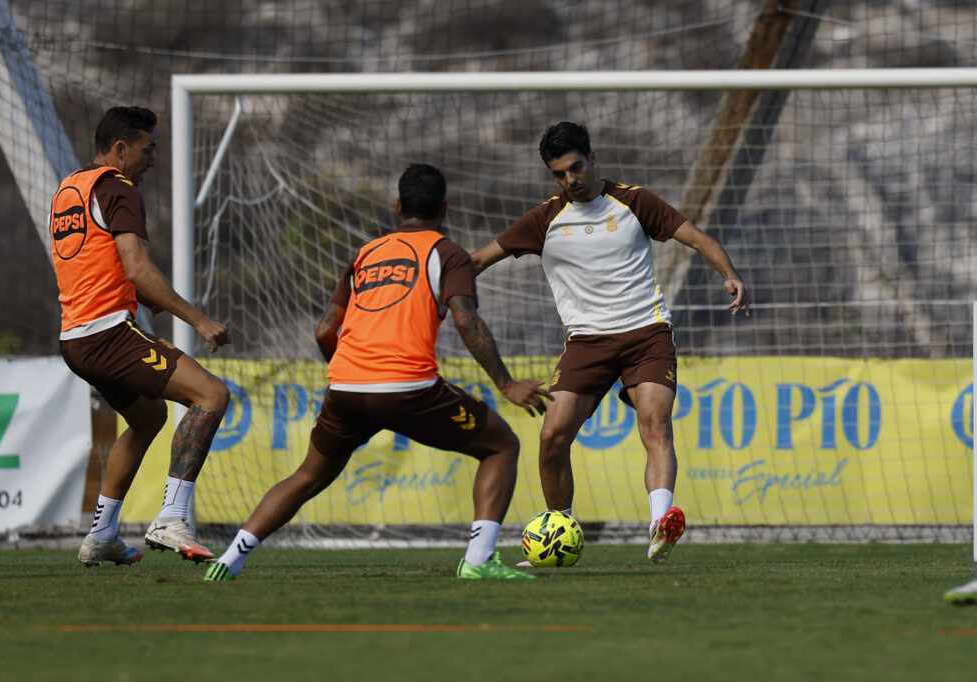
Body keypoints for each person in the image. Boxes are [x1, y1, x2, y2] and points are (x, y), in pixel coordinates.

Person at [205, 163, 548, 581]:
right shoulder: (447, 253)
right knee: (500, 447)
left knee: (308, 475)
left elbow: (324, 329)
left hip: (346, 387)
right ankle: (478, 560)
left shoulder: (365, 253)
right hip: (409, 389)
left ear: (398, 206)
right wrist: (507, 383)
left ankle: (229, 559)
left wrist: (348, 370)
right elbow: (465, 319)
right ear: (446, 208)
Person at [471, 122, 749, 565]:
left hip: (647, 333)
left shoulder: (635, 202)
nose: (570, 180)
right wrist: (437, 285)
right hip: (586, 343)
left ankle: (660, 528)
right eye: (559, 174)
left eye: (576, 168)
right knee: (552, 438)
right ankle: (559, 534)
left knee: (655, 422)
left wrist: (729, 274)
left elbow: (696, 237)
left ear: (592, 158)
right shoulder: (544, 219)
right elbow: (478, 260)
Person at [49, 106, 231, 567]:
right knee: (211, 395)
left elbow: (96, 262)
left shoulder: (70, 189)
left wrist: (140, 296)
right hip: (108, 334)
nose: (151, 161)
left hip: (75, 337)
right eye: (147, 151)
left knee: (148, 421)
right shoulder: (118, 189)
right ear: (120, 149)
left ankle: (102, 535)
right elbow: (138, 268)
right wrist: (199, 321)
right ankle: (171, 516)